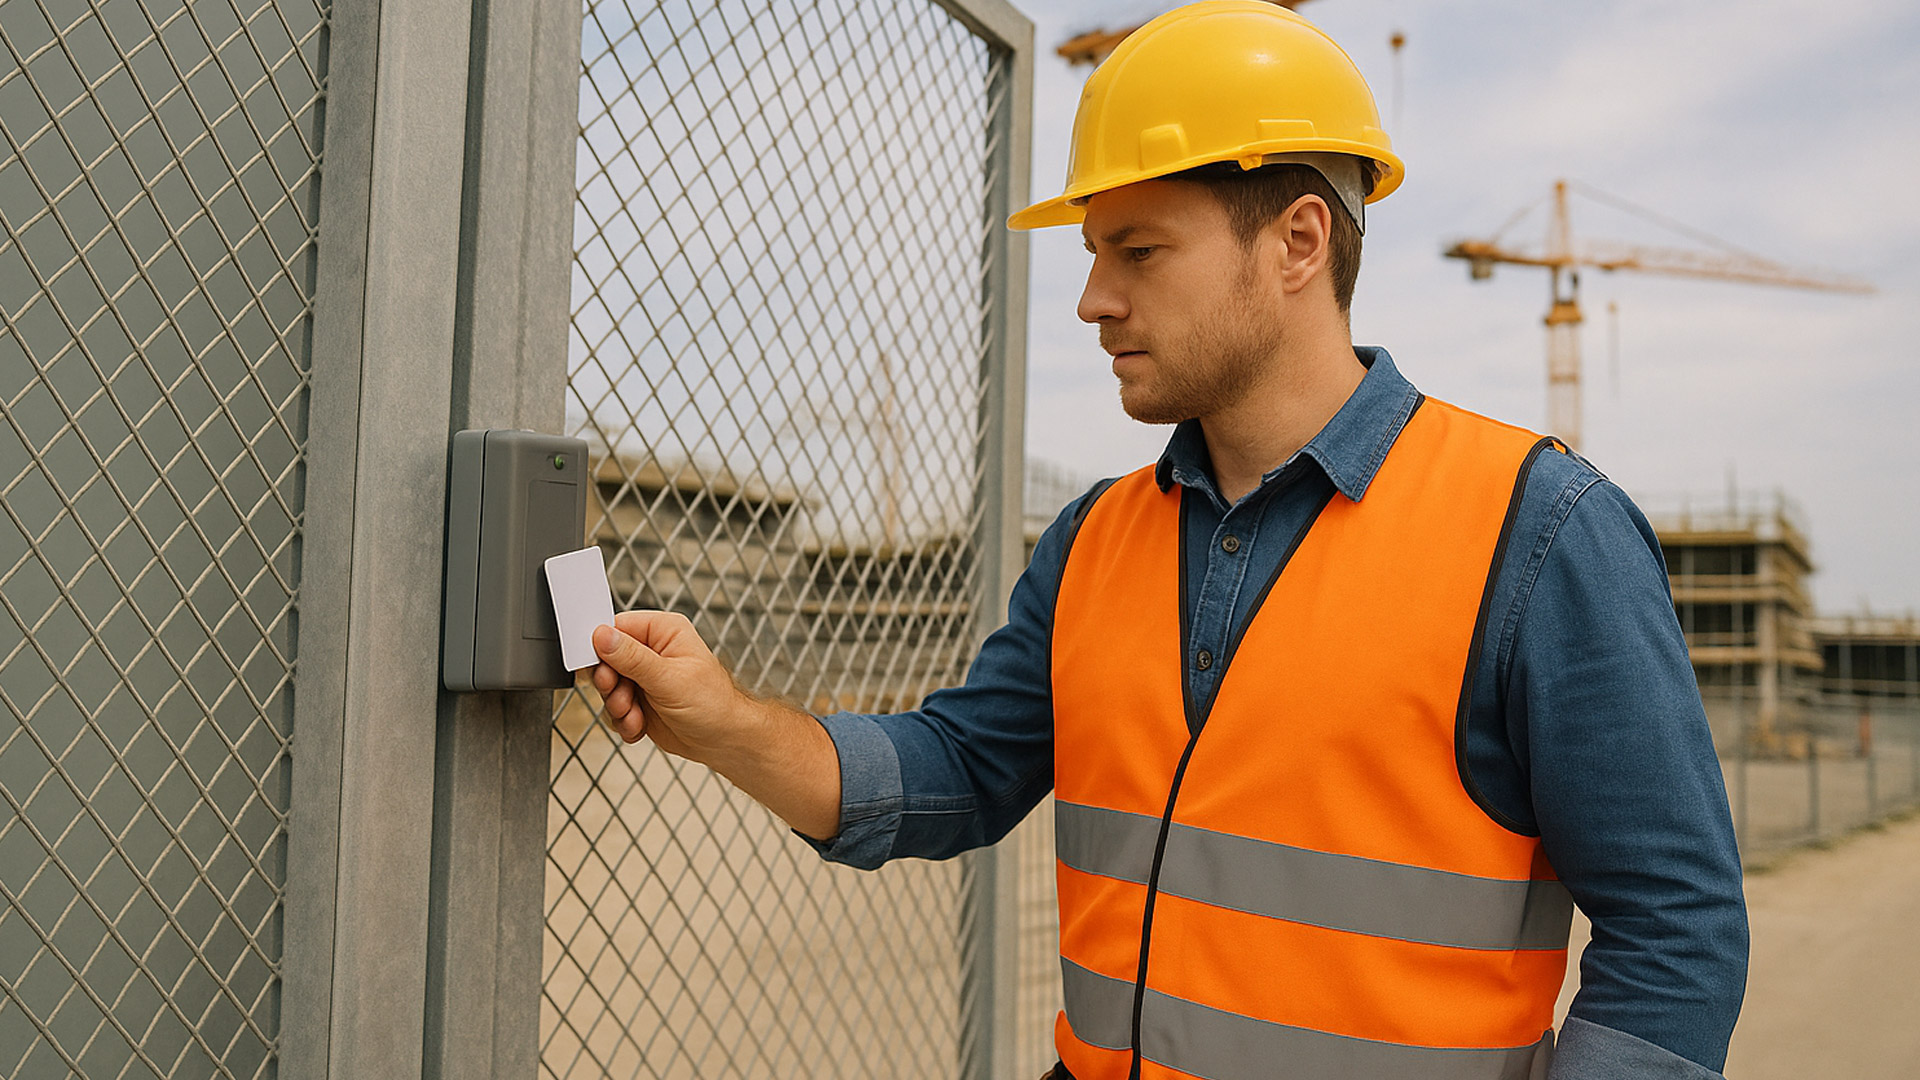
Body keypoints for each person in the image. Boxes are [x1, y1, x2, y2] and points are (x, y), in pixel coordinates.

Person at [587, 2, 1748, 1077]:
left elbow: (1676, 929)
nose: (1093, 298)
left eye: (1137, 252)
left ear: (1298, 243)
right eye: (1094, 253)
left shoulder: (1539, 533)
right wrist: (728, 725)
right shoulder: (1095, 539)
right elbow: (958, 773)